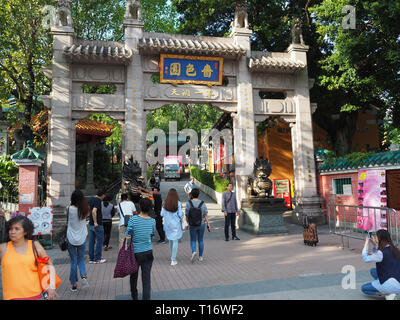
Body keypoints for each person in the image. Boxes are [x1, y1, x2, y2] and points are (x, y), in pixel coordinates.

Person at [0, 216, 57, 300]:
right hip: (11, 297)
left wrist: (51, 287)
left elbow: (50, 265)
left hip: (36, 296)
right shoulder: (3, 248)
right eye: (10, 229)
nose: (12, 232)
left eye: (17, 229)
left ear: (25, 232)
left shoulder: (35, 245)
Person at [125, 197, 156, 300]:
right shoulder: (152, 221)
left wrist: (127, 248)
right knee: (146, 278)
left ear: (139, 206)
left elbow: (128, 236)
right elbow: (152, 235)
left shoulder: (133, 220)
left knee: (133, 276)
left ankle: (134, 296)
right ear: (150, 208)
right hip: (148, 252)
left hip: (135, 253)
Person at [361, 229, 400, 300]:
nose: (375, 238)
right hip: (398, 281)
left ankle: (387, 293)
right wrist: (374, 244)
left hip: (389, 284)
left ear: (380, 239)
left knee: (364, 288)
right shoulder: (395, 249)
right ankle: (387, 289)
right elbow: (382, 252)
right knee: (373, 271)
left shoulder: (380, 253)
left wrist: (366, 243)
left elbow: (365, 258)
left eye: (376, 237)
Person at [67, 190, 90, 292]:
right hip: (82, 237)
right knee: (81, 260)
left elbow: (67, 209)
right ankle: (83, 276)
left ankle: (74, 284)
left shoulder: (69, 209)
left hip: (71, 238)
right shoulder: (86, 209)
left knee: (73, 261)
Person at [185, 188, 210, 263]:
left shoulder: (189, 203)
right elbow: (205, 214)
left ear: (191, 194)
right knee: (200, 240)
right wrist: (208, 223)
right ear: (198, 194)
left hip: (192, 224)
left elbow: (186, 215)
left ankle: (194, 252)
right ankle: (201, 256)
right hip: (201, 224)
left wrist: (187, 223)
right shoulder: (202, 203)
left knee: (193, 239)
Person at [161, 188, 184, 266]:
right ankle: (173, 259)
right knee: (175, 241)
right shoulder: (178, 203)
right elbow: (180, 214)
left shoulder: (165, 203)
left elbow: (161, 214)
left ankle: (172, 256)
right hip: (176, 225)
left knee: (170, 240)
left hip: (167, 225)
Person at [88, 189, 106, 264]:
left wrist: (91, 220)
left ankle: (91, 258)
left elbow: (89, 210)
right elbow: (94, 211)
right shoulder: (98, 201)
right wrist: (95, 222)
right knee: (100, 241)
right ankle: (97, 258)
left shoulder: (91, 199)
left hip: (91, 223)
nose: (104, 196)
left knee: (91, 241)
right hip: (97, 224)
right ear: (102, 195)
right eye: (104, 195)